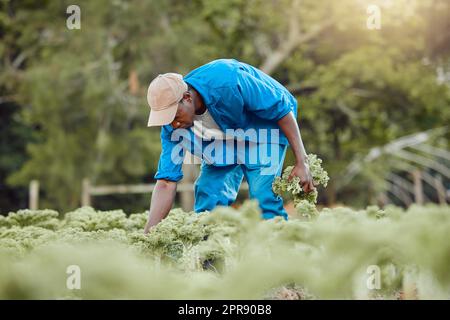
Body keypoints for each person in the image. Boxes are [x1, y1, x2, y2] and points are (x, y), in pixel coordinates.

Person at [144, 59, 314, 234]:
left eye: (174, 116)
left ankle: (277, 256)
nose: (173, 124)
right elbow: (165, 182)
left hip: (262, 131)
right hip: (222, 140)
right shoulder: (171, 126)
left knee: (263, 199)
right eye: (166, 119)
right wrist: (149, 235)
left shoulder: (228, 81)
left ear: (187, 98)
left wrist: (302, 161)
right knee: (208, 196)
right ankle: (211, 257)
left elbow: (281, 109)